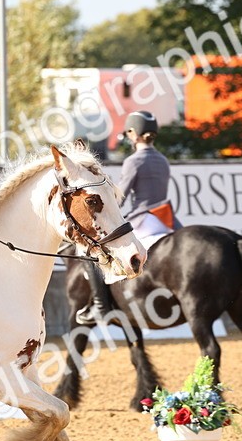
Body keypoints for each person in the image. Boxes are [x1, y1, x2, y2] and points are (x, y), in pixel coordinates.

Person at [75, 110, 181, 326]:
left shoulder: (134, 160)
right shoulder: (162, 160)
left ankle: (100, 306)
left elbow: (119, 197)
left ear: (133, 133)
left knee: (94, 253)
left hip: (145, 218)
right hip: (167, 219)